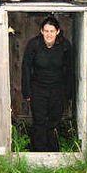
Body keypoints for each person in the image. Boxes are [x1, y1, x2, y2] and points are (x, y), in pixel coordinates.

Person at [21, 16, 73, 152]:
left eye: (52, 31)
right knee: (39, 120)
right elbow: (26, 67)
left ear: (58, 31)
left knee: (54, 120)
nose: (49, 34)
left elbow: (70, 69)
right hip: (38, 88)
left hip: (57, 88)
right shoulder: (34, 44)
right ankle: (38, 151)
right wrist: (26, 91)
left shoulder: (65, 46)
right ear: (41, 31)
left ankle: (53, 151)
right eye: (46, 31)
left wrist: (68, 93)